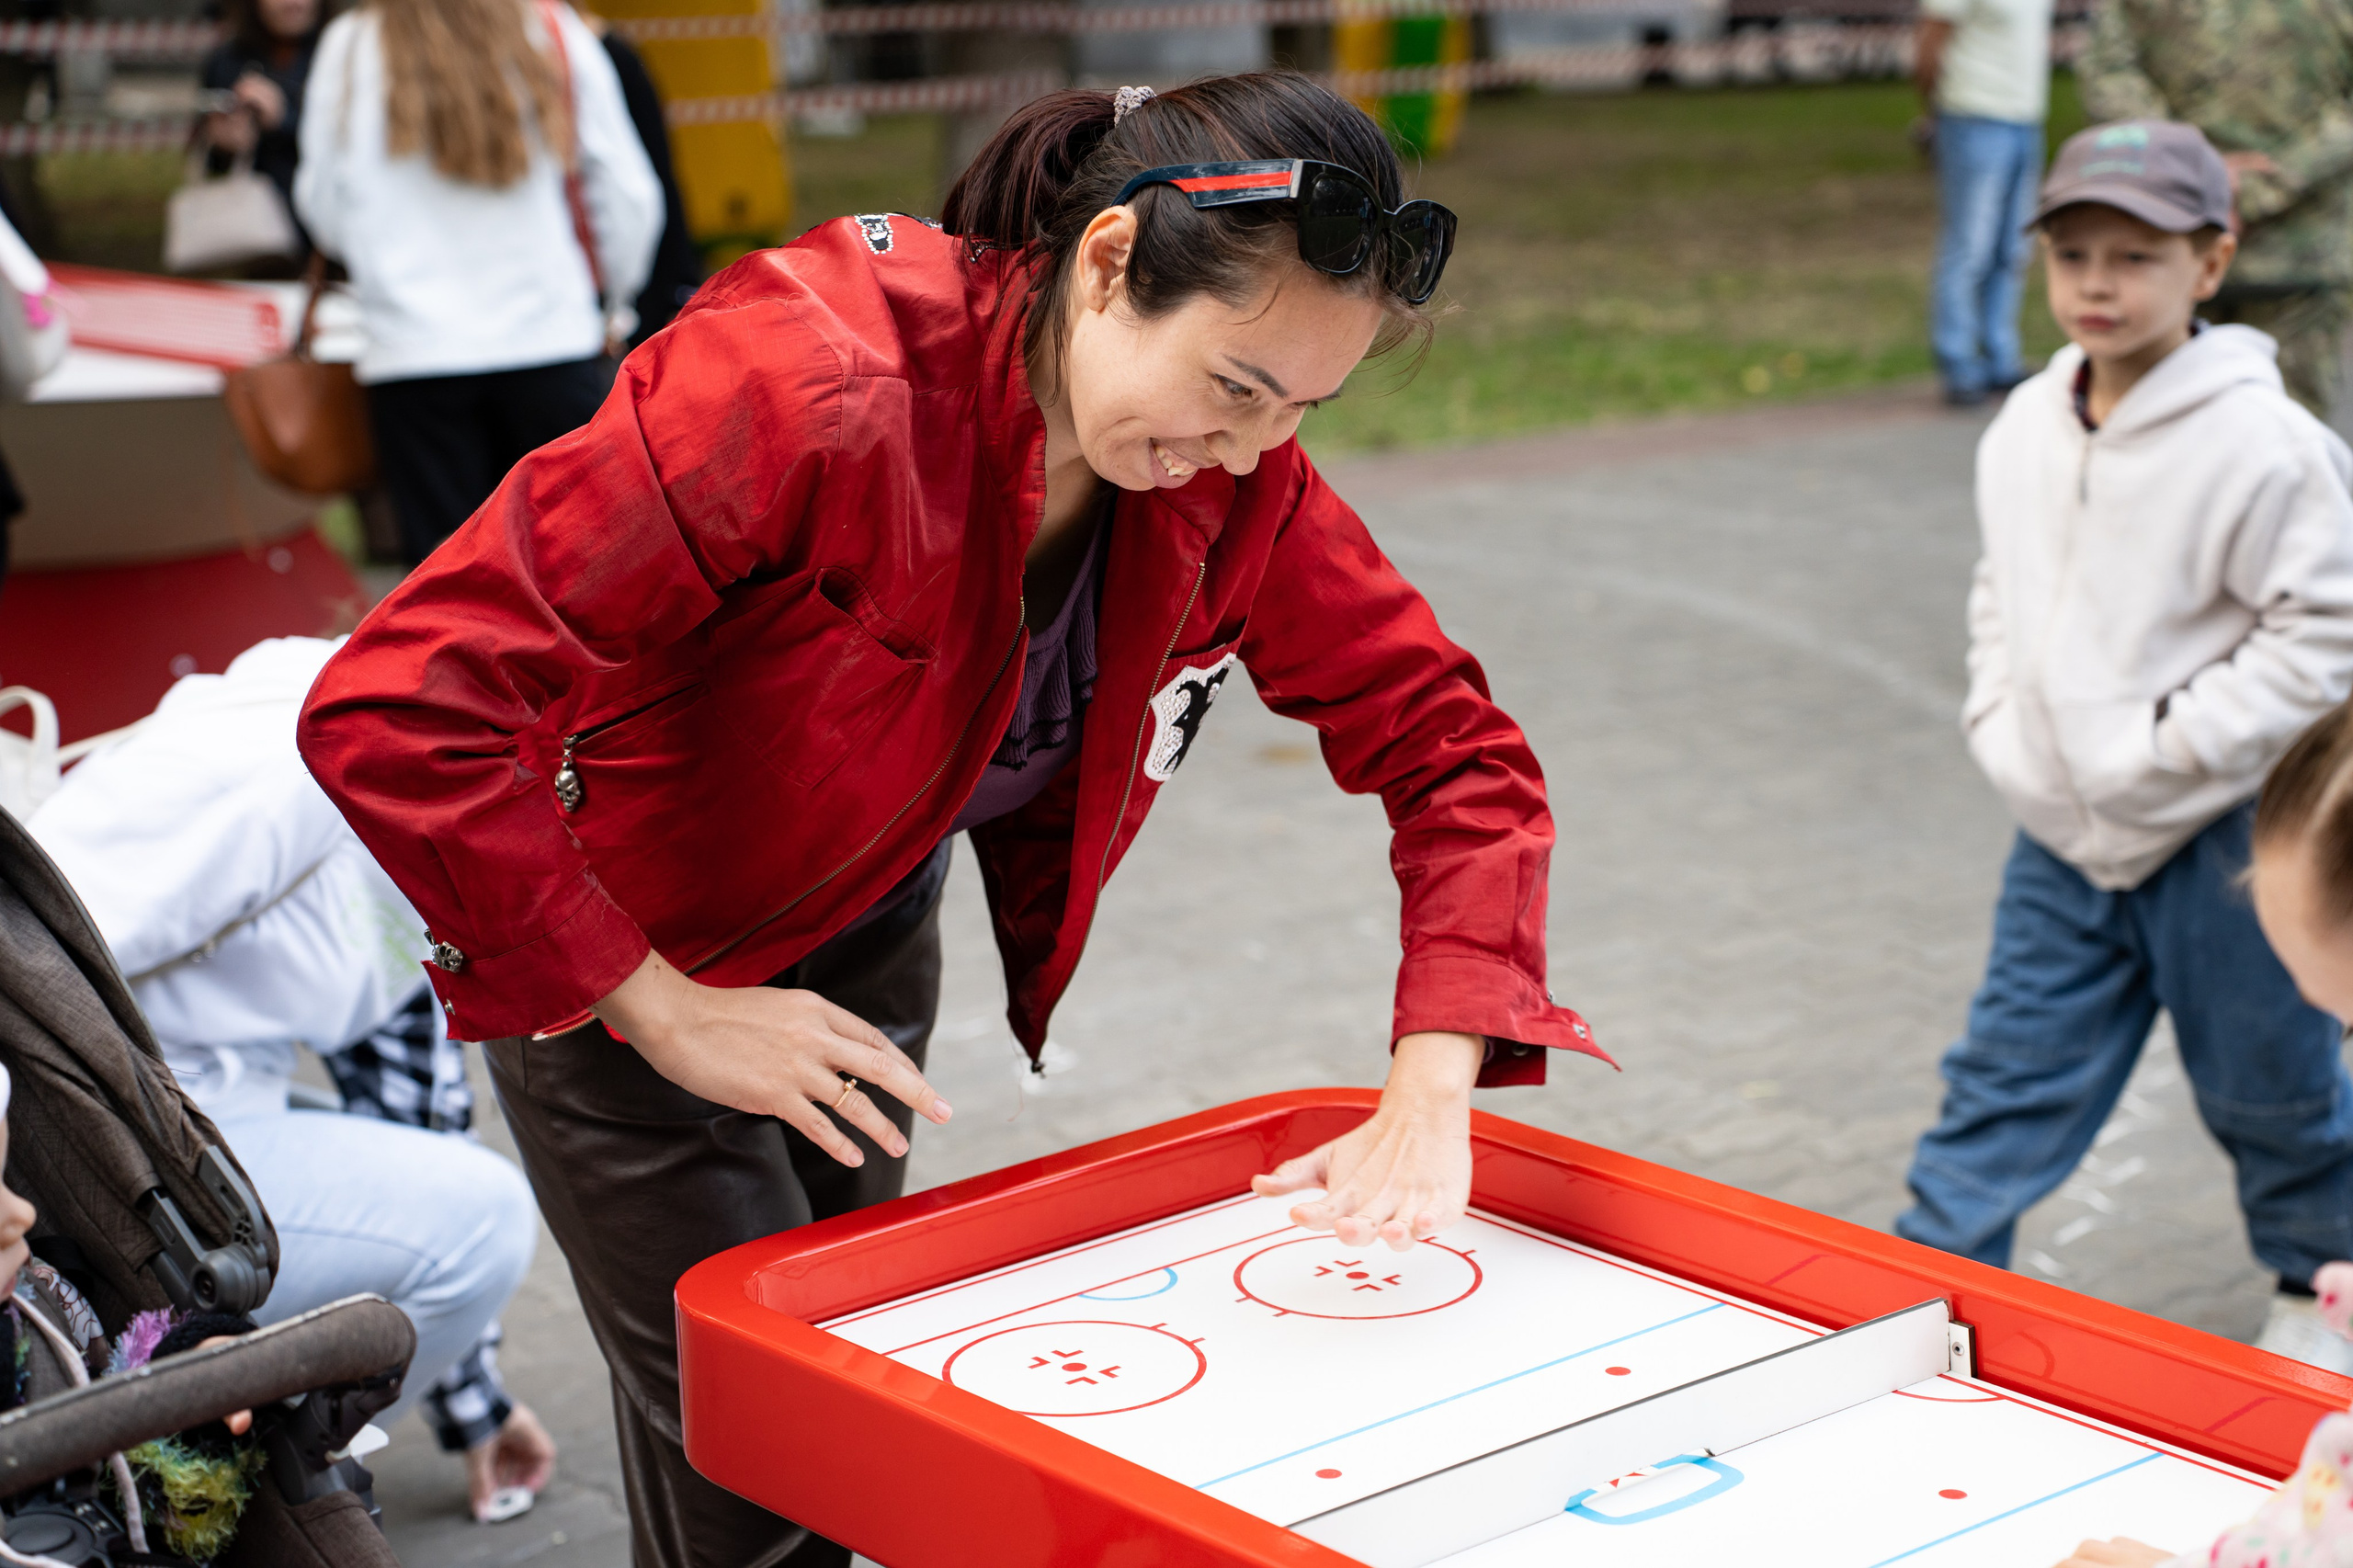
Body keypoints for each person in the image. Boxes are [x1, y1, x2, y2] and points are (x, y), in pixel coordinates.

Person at [297, 72, 1602, 1567]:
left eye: (1305, 410)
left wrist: (1432, 1083)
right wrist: (661, 1007)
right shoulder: (806, 379)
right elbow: (399, 702)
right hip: (624, 968)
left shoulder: (1233, 483)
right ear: (1108, 264)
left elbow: (1452, 747)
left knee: (813, 1421)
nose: (1252, 454)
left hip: (858, 949)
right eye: (1238, 389)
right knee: (778, 1473)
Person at [1894, 120, 2353, 1372]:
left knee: (2271, 1083)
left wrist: (2168, 747)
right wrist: (2002, 721)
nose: (2098, 283)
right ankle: (1925, 1292)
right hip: (2059, 831)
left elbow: (2328, 629)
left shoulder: (2267, 445)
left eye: (2137, 256)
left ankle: (2317, 1284)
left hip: (2222, 839)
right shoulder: (2023, 425)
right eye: (2073, 253)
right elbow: (2001, 587)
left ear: (2212, 262)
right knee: (2004, 1075)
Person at [26, 636, 559, 1525]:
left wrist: (477, 1406)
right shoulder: (284, 759)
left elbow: (413, 1098)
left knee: (467, 1214)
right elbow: (24, 944)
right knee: (487, 1219)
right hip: (84, 1146)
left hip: (202, 1115)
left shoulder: (470, 790)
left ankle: (254, 1478)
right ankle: (213, 1512)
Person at [293, 0, 662, 566]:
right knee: (577, 575)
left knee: (449, 586)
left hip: (415, 358)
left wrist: (386, 261)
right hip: (549, 339)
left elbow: (324, 206)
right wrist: (612, 297)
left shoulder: (351, 43)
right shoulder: (549, 28)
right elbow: (624, 192)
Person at [2081, 0, 2353, 419]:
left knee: (2284, 433)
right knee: (2166, 429)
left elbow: (2109, 73)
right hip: (2178, 252)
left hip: (2265, 256)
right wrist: (2220, 174)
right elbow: (2108, 70)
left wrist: (2200, 170)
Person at [1914, 0, 2052, 404]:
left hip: (2026, 118)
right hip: (1973, 116)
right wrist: (1935, 115)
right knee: (1969, 245)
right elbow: (1929, 45)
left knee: (2013, 246)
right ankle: (1958, 362)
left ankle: (1999, 357)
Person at [574, 6, 703, 345]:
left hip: (624, 285)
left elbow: (638, 189)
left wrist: (620, 300)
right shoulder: (590, 51)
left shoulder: (596, 56)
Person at [199, 0, 329, 258]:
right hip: (253, 242)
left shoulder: (343, 57)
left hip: (328, 241)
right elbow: (210, 167)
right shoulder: (228, 60)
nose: (294, 3)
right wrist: (225, 145)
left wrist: (284, 119)